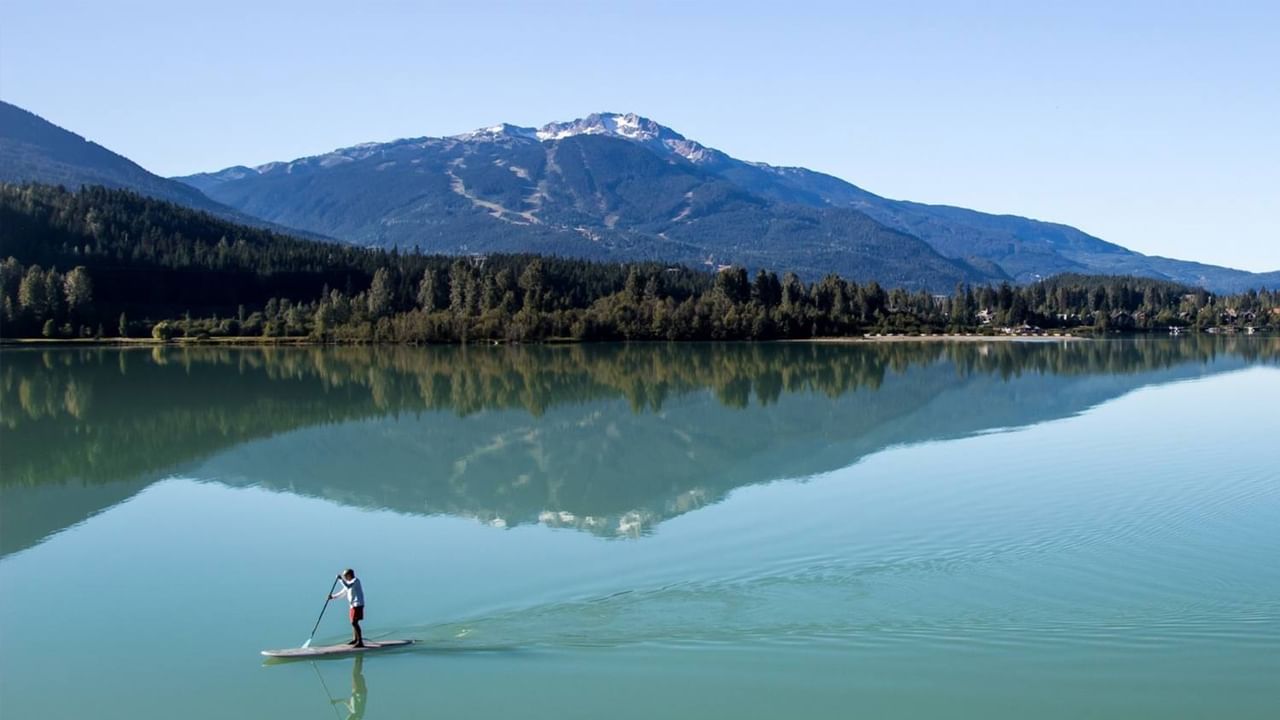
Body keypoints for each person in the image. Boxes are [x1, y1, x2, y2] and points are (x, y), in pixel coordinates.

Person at [329, 568, 365, 647]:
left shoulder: (355, 581)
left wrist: (340, 579)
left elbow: (348, 586)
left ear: (349, 575)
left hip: (358, 604)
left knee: (354, 622)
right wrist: (333, 597)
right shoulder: (348, 582)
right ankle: (355, 639)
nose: (344, 577)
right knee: (353, 622)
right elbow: (343, 593)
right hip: (352, 605)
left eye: (345, 575)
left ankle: (360, 642)